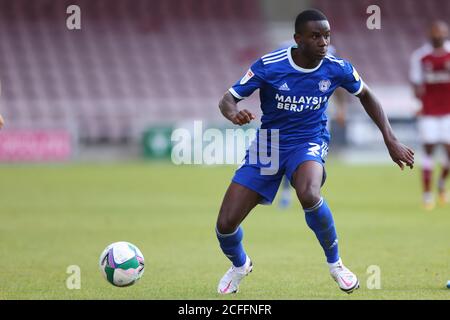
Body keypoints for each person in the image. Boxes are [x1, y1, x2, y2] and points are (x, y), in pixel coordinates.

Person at [216, 9, 414, 295]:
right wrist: (233, 114)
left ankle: (336, 265)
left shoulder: (337, 67)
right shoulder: (269, 65)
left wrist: (390, 139)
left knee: (309, 192)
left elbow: (367, 95)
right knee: (225, 224)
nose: (323, 42)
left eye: (327, 36)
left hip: (309, 139)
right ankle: (239, 265)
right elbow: (228, 99)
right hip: (268, 143)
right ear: (298, 39)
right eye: (315, 36)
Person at [410, 21, 450, 210]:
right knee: (429, 150)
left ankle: (441, 184)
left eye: (441, 32)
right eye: (435, 32)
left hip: (448, 112)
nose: (438, 35)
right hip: (429, 113)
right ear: (429, 34)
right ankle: (427, 195)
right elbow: (416, 85)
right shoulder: (420, 57)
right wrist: (418, 102)